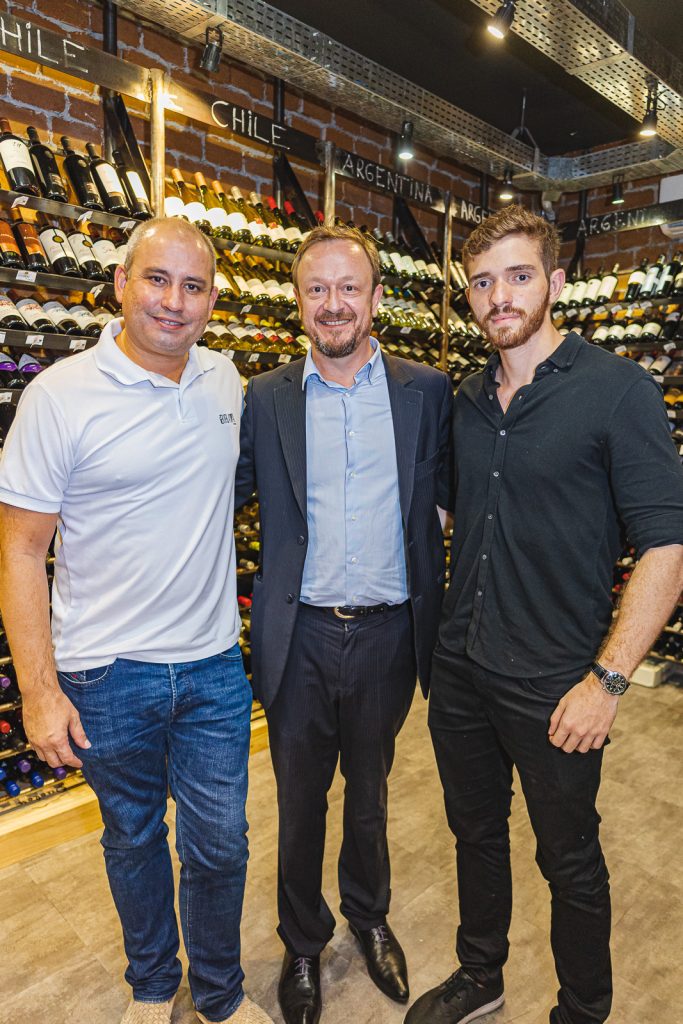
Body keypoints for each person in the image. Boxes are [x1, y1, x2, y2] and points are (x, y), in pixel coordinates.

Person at [405, 205, 683, 1024]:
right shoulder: (464, 399)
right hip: (461, 666)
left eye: (517, 276)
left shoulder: (616, 392)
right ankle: (479, 974)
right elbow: (455, 515)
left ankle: (581, 1010)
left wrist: (607, 681)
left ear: (554, 283)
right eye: (482, 282)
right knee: (474, 833)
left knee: (569, 860)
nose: (499, 297)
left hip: (557, 680)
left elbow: (667, 548)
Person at [0, 217, 272, 1024]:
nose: (173, 302)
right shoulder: (59, 396)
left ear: (213, 300)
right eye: (157, 279)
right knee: (132, 839)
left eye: (193, 287)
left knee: (221, 846)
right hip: (107, 672)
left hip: (215, 665)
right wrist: (40, 692)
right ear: (121, 283)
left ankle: (220, 997)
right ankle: (152, 986)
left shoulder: (227, 380)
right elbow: (19, 552)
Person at [236, 223, 452, 1024]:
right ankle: (301, 942)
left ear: (375, 297)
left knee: (369, 791)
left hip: (391, 633)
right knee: (299, 799)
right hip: (301, 637)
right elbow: (220, 502)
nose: (333, 305)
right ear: (298, 302)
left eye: (347, 288)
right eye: (316, 290)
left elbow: (455, 493)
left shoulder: (426, 390)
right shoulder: (263, 397)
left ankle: (368, 915)